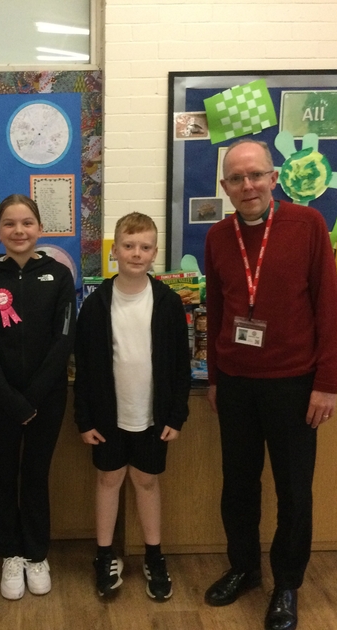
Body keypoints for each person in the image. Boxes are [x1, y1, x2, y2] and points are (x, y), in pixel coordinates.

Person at [202, 139, 337, 630]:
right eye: (237, 179)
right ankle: (243, 567)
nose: (248, 186)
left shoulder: (308, 226)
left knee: (293, 490)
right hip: (237, 384)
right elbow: (217, 312)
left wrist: (327, 383)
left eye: (256, 175)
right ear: (225, 187)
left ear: (274, 177)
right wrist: (216, 379)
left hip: (294, 384)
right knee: (238, 486)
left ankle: (287, 583)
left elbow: (329, 308)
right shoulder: (219, 236)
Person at [74, 212, 191, 601]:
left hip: (152, 417)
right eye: (128, 246)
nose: (136, 254)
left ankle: (154, 556)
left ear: (154, 252)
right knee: (108, 480)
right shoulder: (96, 306)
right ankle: (104, 555)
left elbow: (180, 365)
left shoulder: (169, 303)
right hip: (109, 417)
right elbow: (86, 369)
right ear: (115, 251)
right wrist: (84, 418)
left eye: (144, 247)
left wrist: (176, 415)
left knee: (146, 481)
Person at [0, 194, 76, 601]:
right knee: (4, 477)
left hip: (46, 398)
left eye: (27, 223)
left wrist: (33, 396)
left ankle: (36, 554)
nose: (19, 231)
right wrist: (12, 399)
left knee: (36, 476)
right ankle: (9, 554)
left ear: (39, 228)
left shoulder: (58, 275)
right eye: (10, 224)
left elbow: (64, 338)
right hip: (0, 399)